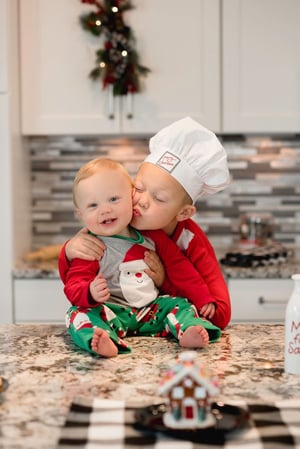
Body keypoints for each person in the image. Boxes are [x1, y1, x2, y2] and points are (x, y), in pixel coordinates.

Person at [59, 117, 231, 329]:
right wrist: (68, 251)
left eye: (159, 199)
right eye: (138, 188)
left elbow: (220, 313)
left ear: (183, 213)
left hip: (155, 319)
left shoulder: (191, 242)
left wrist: (164, 283)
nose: (141, 200)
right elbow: (78, 272)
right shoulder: (120, 220)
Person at [61, 157, 221, 358]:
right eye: (93, 205)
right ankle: (103, 339)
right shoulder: (89, 246)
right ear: (81, 214)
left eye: (113, 199)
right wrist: (89, 292)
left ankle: (188, 330)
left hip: (151, 312)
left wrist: (202, 296)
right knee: (77, 313)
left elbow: (179, 266)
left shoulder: (152, 236)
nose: (105, 209)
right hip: (112, 312)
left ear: (131, 197)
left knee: (181, 304)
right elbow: (73, 283)